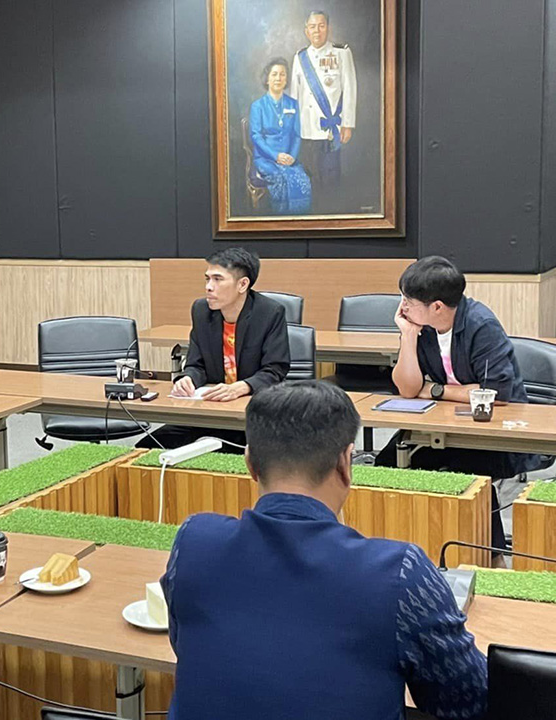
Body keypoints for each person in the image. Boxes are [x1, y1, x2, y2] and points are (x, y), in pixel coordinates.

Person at [161, 380, 488, 720]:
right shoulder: (399, 572)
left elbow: (188, 644)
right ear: (346, 462)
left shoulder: (193, 542)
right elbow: (470, 701)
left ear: (250, 463)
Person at [377, 255, 540, 558]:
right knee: (387, 462)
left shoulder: (481, 325)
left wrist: (436, 390)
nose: (402, 307)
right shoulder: (422, 327)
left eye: (408, 301)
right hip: (448, 425)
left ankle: (488, 555)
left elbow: (496, 393)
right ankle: (413, 546)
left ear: (437, 306)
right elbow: (408, 389)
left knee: (461, 474)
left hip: (495, 433)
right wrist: (408, 336)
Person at [137, 247, 289, 452]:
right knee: (147, 447)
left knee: (231, 454)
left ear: (242, 284)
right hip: (209, 412)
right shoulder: (201, 310)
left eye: (218, 279)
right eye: (207, 279)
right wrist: (188, 379)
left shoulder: (269, 313)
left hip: (251, 417)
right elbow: (196, 364)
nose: (209, 287)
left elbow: (275, 370)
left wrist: (241, 387)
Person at [289, 10, 356, 199]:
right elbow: (294, 95)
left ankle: (330, 209)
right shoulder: (300, 57)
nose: (317, 31)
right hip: (306, 128)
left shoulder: (341, 52)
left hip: (330, 129)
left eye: (321, 26)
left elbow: (350, 89)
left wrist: (348, 124)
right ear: (306, 31)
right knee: (309, 177)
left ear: (328, 28)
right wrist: (293, 127)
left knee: (330, 178)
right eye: (312, 27)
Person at [249, 58, 312, 214]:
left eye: (282, 74)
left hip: (289, 158)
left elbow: (296, 135)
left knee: (301, 179)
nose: (278, 78)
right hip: (266, 158)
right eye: (274, 74)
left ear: (286, 79)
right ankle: (281, 219)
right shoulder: (258, 106)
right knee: (279, 178)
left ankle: (299, 221)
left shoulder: (293, 104)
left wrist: (292, 157)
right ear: (267, 79)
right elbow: (256, 137)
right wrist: (276, 156)